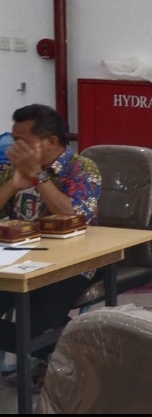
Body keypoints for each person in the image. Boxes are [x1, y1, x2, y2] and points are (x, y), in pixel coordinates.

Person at [0, 103, 101, 390]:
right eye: (14, 140)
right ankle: (70, 354)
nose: (16, 148)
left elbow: (75, 216)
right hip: (16, 260)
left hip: (69, 263)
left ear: (51, 141)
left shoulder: (82, 167)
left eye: (23, 142)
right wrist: (13, 184)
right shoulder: (12, 168)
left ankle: (75, 357)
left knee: (36, 325)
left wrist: (38, 177)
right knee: (27, 327)